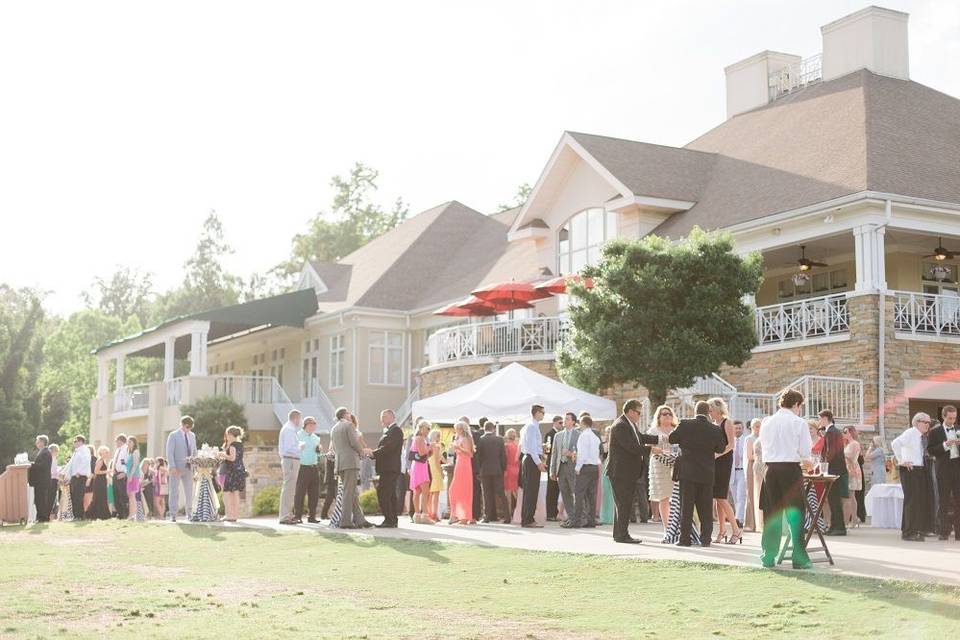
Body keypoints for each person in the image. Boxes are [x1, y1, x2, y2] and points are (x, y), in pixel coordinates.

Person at [758, 389, 814, 569]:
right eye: (800, 406)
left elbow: (764, 446)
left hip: (771, 469)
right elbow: (805, 453)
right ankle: (798, 557)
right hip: (790, 469)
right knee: (795, 513)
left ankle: (768, 555)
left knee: (771, 513)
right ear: (797, 404)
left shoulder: (767, 422)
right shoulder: (799, 423)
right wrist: (810, 464)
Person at [669, 401, 725, 547]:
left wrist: (684, 442)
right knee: (705, 508)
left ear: (695, 411)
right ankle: (705, 539)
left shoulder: (685, 424)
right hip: (706, 473)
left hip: (687, 473)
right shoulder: (715, 429)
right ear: (708, 412)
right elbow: (720, 448)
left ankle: (684, 539)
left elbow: (671, 438)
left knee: (686, 507)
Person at [607, 399, 660, 544]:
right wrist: (651, 450)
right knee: (623, 504)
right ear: (630, 411)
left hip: (626, 472)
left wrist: (659, 438)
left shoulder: (629, 424)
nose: (639, 415)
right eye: (638, 412)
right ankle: (622, 535)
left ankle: (619, 534)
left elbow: (640, 438)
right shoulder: (620, 425)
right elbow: (630, 446)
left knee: (623, 504)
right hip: (620, 472)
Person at [329, 407, 372, 529]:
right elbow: (354, 442)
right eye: (348, 413)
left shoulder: (334, 428)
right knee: (349, 493)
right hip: (350, 463)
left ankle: (360, 520)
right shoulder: (348, 425)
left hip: (340, 464)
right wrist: (362, 452)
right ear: (344, 415)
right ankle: (345, 521)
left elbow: (335, 448)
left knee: (352, 492)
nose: (350, 415)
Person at [893, 413, 933, 541]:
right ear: (917, 422)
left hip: (919, 469)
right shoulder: (911, 432)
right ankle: (908, 532)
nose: (928, 424)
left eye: (929, 422)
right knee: (912, 501)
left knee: (917, 501)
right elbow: (895, 443)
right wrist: (901, 460)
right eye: (925, 422)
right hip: (910, 469)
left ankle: (915, 529)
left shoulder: (920, 436)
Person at [708, 398, 741, 544]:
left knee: (721, 497)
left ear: (718, 409)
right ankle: (721, 530)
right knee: (717, 497)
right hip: (714, 462)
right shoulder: (713, 424)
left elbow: (731, 444)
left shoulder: (726, 422)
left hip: (724, 461)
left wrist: (717, 455)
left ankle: (736, 530)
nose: (710, 412)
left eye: (711, 409)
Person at [926, 405, 960, 540]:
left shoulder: (958, 429)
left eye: (955, 418)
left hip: (958, 469)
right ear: (943, 416)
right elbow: (930, 450)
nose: (953, 421)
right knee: (944, 501)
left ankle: (958, 533)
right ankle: (943, 531)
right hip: (943, 470)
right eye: (950, 418)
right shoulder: (935, 432)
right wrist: (945, 445)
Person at [647, 405, 677, 535]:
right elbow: (648, 448)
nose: (667, 416)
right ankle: (667, 529)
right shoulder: (653, 431)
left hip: (675, 465)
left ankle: (676, 527)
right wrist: (657, 450)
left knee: (676, 497)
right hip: (659, 465)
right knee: (664, 497)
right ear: (658, 416)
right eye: (664, 414)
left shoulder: (677, 429)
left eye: (669, 413)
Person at [371, 409, 403, 528]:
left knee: (383, 493)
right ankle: (392, 520)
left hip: (390, 468)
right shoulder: (389, 431)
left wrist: (373, 453)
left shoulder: (396, 431)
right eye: (381, 416)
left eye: (384, 416)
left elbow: (388, 448)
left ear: (392, 417)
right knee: (390, 495)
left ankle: (389, 520)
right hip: (387, 468)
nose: (382, 419)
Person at [819, 410, 848, 537]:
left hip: (833, 470)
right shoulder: (833, 431)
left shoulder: (831, 432)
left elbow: (831, 452)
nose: (819, 421)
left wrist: (823, 465)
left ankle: (839, 527)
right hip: (836, 469)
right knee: (833, 499)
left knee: (834, 499)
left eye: (820, 419)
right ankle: (835, 526)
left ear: (825, 418)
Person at [289, 418, 321, 524]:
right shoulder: (297, 436)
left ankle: (312, 516)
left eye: (315, 424)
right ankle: (297, 516)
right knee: (300, 493)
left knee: (314, 493)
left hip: (314, 467)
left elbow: (318, 454)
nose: (314, 427)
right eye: (312, 424)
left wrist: (319, 451)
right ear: (306, 425)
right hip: (302, 467)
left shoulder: (316, 438)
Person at [550, 412, 580, 528]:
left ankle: (579, 518)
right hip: (561, 468)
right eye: (564, 419)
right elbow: (554, 454)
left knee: (576, 494)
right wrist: (552, 471)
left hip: (573, 468)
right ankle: (571, 518)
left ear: (573, 421)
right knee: (565, 494)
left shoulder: (579, 434)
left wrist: (571, 454)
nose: (564, 421)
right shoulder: (558, 435)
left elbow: (582, 453)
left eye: (567, 419)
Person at [165, 415, 197, 522]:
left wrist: (195, 466)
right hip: (176, 468)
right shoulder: (173, 435)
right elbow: (169, 452)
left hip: (189, 468)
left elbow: (194, 451)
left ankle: (189, 513)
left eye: (190, 428)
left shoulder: (192, 435)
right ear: (182, 424)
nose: (188, 429)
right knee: (174, 491)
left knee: (189, 491)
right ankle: (173, 514)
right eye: (187, 427)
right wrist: (172, 467)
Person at [570, 415, 601, 528]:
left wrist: (577, 467)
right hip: (594, 467)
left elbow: (582, 454)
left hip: (585, 467)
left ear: (583, 423)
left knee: (579, 494)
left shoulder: (583, 436)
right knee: (591, 495)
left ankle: (576, 520)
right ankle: (591, 520)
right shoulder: (595, 437)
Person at [476, 419, 508, 524]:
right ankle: (507, 516)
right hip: (497, 470)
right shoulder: (499, 439)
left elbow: (478, 457)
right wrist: (503, 468)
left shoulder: (481, 439)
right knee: (501, 494)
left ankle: (487, 516)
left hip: (485, 470)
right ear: (493, 429)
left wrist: (479, 470)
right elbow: (503, 456)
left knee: (487, 494)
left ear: (484, 429)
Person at [519, 405, 546, 528]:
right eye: (542, 412)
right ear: (536, 413)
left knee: (531, 491)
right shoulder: (531, 426)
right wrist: (538, 462)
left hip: (530, 459)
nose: (543, 414)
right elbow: (531, 448)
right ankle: (528, 519)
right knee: (531, 491)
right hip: (531, 460)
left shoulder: (530, 426)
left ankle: (527, 518)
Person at [448, 421, 476, 524]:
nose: (456, 431)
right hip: (459, 464)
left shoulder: (465, 439)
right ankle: (459, 515)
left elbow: (470, 453)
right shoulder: (459, 438)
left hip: (464, 464)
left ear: (461, 429)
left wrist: (458, 447)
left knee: (461, 489)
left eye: (457, 429)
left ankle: (463, 516)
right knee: (456, 490)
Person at [277, 409, 302, 525]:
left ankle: (288, 514)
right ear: (296, 418)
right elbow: (289, 448)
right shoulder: (288, 430)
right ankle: (285, 516)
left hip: (291, 460)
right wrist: (300, 446)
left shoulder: (289, 429)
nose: (300, 421)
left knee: (291, 489)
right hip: (290, 460)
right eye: (300, 419)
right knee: (288, 488)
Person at [409, 420, 433, 524]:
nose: (428, 431)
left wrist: (429, 450)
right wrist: (430, 447)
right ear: (422, 428)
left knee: (418, 491)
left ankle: (417, 515)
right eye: (427, 428)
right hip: (420, 467)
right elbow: (422, 452)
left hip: (418, 465)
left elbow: (424, 455)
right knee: (424, 491)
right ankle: (424, 515)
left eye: (429, 429)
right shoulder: (420, 438)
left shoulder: (418, 438)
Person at [221, 426, 246, 523]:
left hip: (232, 472)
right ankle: (234, 515)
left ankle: (229, 515)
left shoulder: (232, 445)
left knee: (227, 494)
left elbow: (232, 458)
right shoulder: (240, 444)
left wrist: (222, 454)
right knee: (235, 494)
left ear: (231, 435)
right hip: (239, 471)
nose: (226, 436)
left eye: (227, 434)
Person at [65, 435, 91, 521]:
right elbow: (70, 464)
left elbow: (86, 461)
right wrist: (64, 473)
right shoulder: (76, 451)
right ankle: (76, 515)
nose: (74, 443)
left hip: (80, 476)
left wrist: (79, 471)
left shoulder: (85, 449)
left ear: (81, 442)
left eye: (75, 441)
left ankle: (80, 516)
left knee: (78, 496)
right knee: (74, 496)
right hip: (74, 477)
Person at [28, 435, 52, 522]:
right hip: (39, 481)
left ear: (42, 442)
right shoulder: (42, 452)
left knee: (41, 499)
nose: (36, 443)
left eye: (38, 441)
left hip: (42, 481)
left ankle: (43, 518)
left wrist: (32, 464)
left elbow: (43, 466)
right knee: (38, 499)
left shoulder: (46, 452)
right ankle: (40, 517)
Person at [842, 426, 863, 529]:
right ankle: (853, 518)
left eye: (845, 431)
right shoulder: (847, 444)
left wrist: (841, 453)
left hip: (852, 470)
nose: (844, 433)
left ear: (850, 433)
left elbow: (851, 457)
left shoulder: (854, 443)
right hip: (848, 469)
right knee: (850, 495)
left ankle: (852, 519)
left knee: (851, 495)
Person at [730, 420, 748, 527]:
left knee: (741, 496)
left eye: (739, 428)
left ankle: (739, 519)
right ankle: (739, 517)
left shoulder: (745, 440)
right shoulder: (730, 441)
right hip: (732, 472)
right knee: (735, 497)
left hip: (742, 471)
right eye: (736, 428)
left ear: (743, 429)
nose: (738, 430)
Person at [543, 415, 561, 521]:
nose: (561, 425)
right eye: (559, 422)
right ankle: (550, 514)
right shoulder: (550, 434)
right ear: (554, 423)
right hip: (551, 464)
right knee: (551, 490)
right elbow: (547, 451)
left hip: (558, 464)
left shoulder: (560, 434)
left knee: (556, 490)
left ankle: (555, 513)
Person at [744, 418, 760, 531]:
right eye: (756, 426)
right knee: (751, 493)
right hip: (752, 467)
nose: (758, 428)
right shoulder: (749, 439)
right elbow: (750, 456)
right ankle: (750, 523)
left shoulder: (763, 438)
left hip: (760, 467)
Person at [427, 429, 445, 522]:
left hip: (430, 469)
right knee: (436, 493)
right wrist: (441, 472)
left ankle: (430, 513)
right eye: (438, 436)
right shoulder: (437, 446)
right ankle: (434, 514)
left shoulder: (430, 445)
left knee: (430, 493)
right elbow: (438, 462)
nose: (439, 438)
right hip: (435, 470)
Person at [503, 428, 520, 520]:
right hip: (517, 469)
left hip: (509, 469)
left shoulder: (506, 446)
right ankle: (520, 512)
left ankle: (508, 514)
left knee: (508, 493)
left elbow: (505, 459)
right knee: (517, 493)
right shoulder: (517, 446)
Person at [599, 426, 615, 526]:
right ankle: (605, 517)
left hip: (614, 467)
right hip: (605, 467)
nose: (609, 433)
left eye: (610, 431)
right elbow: (601, 455)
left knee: (613, 493)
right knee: (605, 493)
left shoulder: (617, 443)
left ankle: (612, 517)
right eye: (607, 432)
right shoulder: (604, 444)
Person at [110, 434, 129, 519]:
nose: (115, 443)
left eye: (116, 441)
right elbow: (116, 462)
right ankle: (119, 513)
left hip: (122, 474)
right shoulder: (118, 450)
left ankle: (124, 514)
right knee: (116, 494)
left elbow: (125, 462)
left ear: (121, 441)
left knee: (122, 495)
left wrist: (124, 473)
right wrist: (113, 469)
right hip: (116, 473)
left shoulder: (126, 449)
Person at [470, 417, 484, 520]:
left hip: (472, 467)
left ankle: (473, 513)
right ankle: (476, 513)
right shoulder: (478, 435)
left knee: (474, 491)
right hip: (477, 467)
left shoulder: (475, 435)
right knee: (476, 491)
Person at [125, 436, 142, 521]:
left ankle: (133, 515)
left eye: (130, 442)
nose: (128, 443)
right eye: (128, 442)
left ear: (134, 443)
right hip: (129, 476)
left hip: (134, 476)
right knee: (130, 495)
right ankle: (131, 514)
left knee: (132, 495)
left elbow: (135, 465)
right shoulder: (129, 452)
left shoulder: (136, 451)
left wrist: (131, 475)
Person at [320, 448, 338, 520]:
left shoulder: (335, 453)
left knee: (332, 497)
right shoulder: (330, 454)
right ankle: (323, 514)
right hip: (331, 479)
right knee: (330, 498)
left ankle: (324, 514)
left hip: (334, 479)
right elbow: (333, 466)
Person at [47, 444, 60, 518]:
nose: (57, 453)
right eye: (57, 451)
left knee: (52, 498)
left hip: (53, 479)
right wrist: (59, 476)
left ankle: (49, 513)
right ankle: (48, 513)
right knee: (51, 498)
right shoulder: (52, 459)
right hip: (52, 479)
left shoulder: (54, 459)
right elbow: (53, 471)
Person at [84, 444, 96, 514]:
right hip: (84, 480)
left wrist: (89, 480)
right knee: (84, 498)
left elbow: (93, 471)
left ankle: (88, 513)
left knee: (88, 498)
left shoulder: (93, 459)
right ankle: (85, 512)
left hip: (90, 481)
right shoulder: (85, 459)